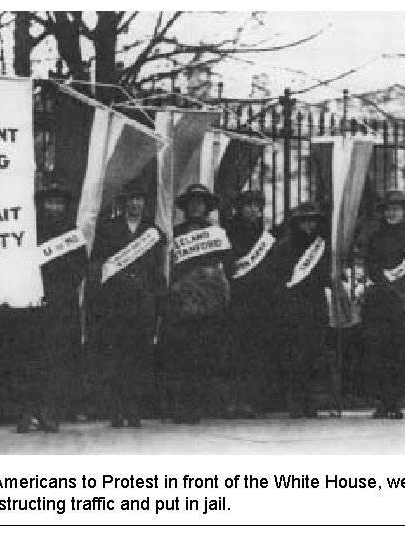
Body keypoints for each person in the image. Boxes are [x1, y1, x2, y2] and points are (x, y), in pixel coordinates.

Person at [0, 183, 87, 433]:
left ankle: (48, 412)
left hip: (58, 309)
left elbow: (79, 268)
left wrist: (56, 291)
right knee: (27, 361)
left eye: (59, 203)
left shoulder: (72, 234)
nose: (54, 207)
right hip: (30, 309)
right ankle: (26, 412)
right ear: (41, 204)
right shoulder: (27, 232)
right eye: (50, 202)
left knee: (54, 362)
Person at [87, 179, 166, 428]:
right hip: (116, 301)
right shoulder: (108, 228)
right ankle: (116, 408)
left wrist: (156, 298)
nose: (135, 204)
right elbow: (98, 263)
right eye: (131, 199)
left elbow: (156, 269)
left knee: (139, 356)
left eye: (139, 199)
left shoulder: (151, 232)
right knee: (116, 356)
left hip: (142, 302)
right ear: (123, 203)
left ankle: (134, 408)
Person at [163, 184, 231, 423]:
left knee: (203, 355)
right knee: (179, 355)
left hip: (208, 302)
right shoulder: (174, 233)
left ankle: (198, 406)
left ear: (206, 207)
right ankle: (178, 406)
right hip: (181, 301)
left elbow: (225, 266)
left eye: (200, 202)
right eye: (191, 202)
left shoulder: (217, 234)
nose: (195, 206)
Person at [272, 201, 331, 418]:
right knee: (294, 357)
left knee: (314, 356)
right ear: (296, 223)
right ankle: (296, 402)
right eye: (305, 221)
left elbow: (326, 277)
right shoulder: (283, 247)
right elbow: (277, 279)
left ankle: (310, 401)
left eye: (312, 221)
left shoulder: (321, 248)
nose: (309, 226)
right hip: (292, 308)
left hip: (315, 307)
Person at [361, 191, 405, 420]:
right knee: (379, 354)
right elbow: (372, 268)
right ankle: (382, 402)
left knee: (400, 355)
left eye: (397, 209)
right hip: (381, 304)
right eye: (389, 209)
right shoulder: (375, 238)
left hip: (404, 305)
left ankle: (396, 401)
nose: (392, 213)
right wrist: (390, 289)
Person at [225, 189, 278, 417]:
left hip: (259, 301)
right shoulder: (228, 233)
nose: (254, 210)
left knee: (257, 352)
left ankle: (253, 400)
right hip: (236, 299)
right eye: (249, 205)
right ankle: (234, 400)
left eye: (257, 206)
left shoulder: (265, 237)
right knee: (234, 351)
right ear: (240, 208)